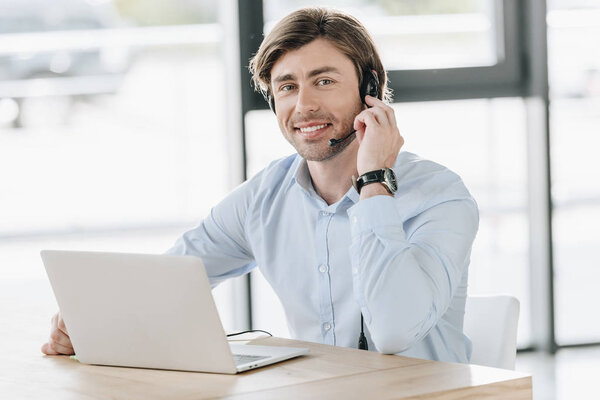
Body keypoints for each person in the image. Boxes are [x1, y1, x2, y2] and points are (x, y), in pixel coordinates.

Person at [42, 7, 478, 363]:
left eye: (324, 81)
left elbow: (394, 330)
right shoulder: (264, 198)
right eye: (287, 87)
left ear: (370, 90)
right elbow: (173, 276)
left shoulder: (440, 196)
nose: (304, 105)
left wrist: (374, 182)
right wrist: (93, 322)